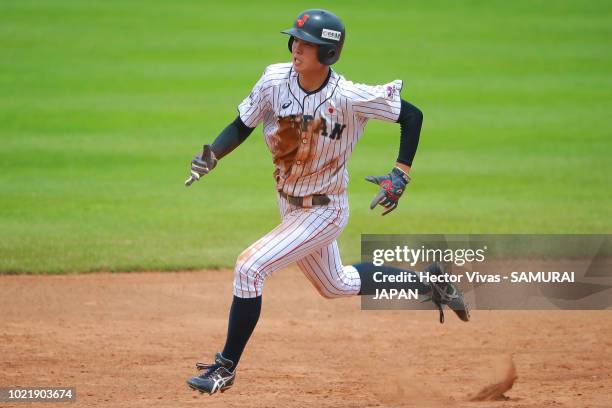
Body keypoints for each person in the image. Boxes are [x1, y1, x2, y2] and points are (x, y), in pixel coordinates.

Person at [185, 9, 469, 395]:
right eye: (295, 40)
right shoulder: (273, 81)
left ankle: (225, 368)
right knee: (335, 284)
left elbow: (412, 115)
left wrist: (400, 173)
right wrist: (212, 155)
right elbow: (242, 124)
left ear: (329, 54)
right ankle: (430, 284)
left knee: (250, 268)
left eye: (308, 44)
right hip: (289, 205)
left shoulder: (349, 98)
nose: (297, 48)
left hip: (325, 211)